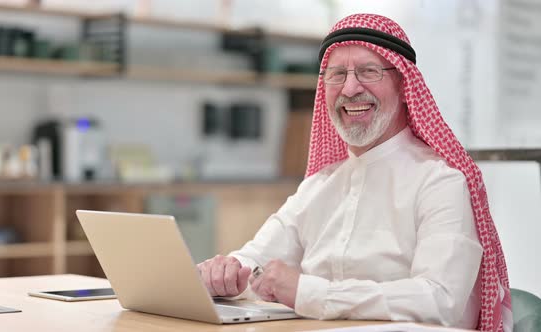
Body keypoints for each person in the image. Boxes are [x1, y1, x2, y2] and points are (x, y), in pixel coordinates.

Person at [197, 13, 512, 332]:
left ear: (404, 85)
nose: (349, 88)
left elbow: (439, 301)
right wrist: (224, 274)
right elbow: (253, 263)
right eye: (336, 75)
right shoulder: (320, 186)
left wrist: (310, 293)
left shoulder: (440, 181)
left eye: (368, 71)